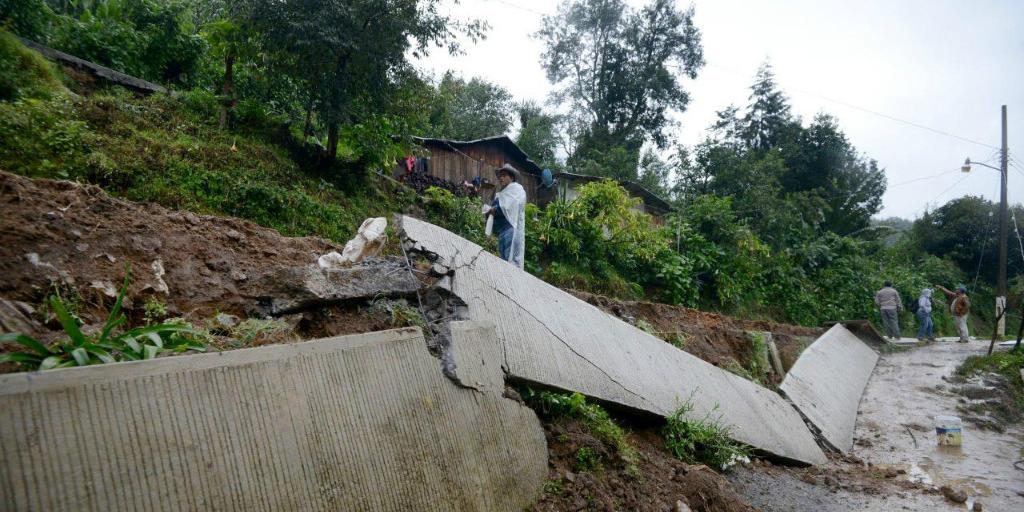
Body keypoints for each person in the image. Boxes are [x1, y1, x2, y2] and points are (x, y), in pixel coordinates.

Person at [484, 164, 526, 268]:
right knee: (504, 262)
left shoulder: (516, 189)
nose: (500, 178)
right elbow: (496, 207)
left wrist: (494, 209)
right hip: (502, 232)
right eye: (500, 176)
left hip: (511, 230)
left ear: (511, 177)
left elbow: (509, 207)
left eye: (504, 175)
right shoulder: (503, 193)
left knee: (511, 262)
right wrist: (490, 211)